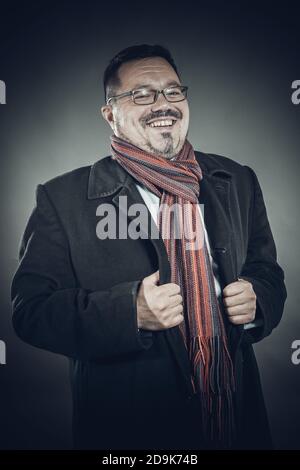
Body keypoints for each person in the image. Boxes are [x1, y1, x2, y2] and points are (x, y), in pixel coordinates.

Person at [11, 44, 287, 450]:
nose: (164, 104)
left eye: (173, 91)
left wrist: (258, 300)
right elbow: (30, 312)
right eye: (142, 94)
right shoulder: (62, 197)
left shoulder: (238, 180)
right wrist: (130, 312)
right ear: (111, 114)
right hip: (131, 429)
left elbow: (268, 274)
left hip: (235, 420)